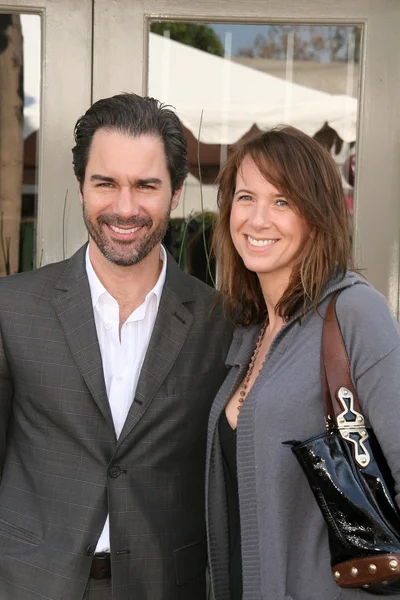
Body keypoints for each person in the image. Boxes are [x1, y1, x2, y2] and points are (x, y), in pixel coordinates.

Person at [0, 93, 233, 600]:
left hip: (166, 586)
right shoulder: (11, 308)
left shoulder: (221, 321)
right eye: (106, 183)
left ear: (174, 194)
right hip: (27, 583)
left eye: (146, 185)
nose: (124, 208)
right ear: (82, 187)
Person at [205, 126, 400, 600]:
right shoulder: (248, 330)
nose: (257, 219)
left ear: (317, 216)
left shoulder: (354, 312)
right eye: (246, 197)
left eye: (283, 202)